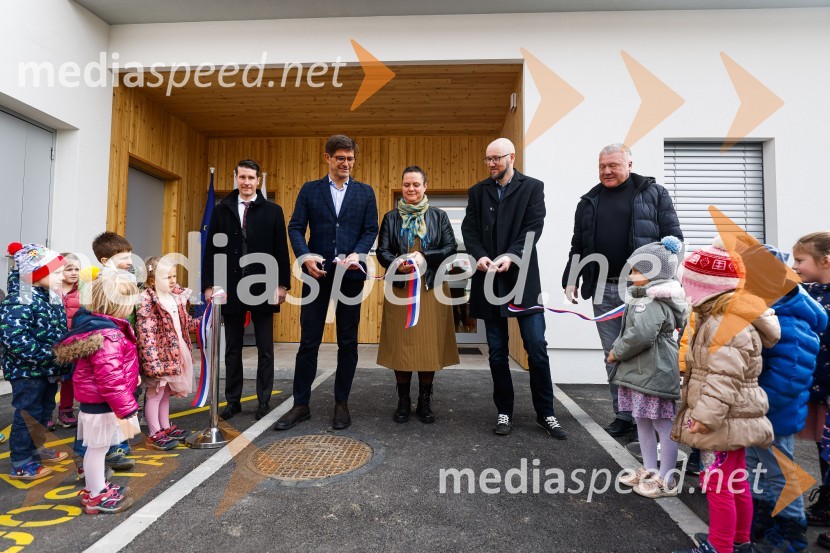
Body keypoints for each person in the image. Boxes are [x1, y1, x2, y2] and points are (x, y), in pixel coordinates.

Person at [562, 144, 682, 438]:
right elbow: (578, 245)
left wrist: (664, 280)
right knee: (613, 353)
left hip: (642, 290)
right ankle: (624, 415)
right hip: (602, 287)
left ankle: (652, 416)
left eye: (613, 165)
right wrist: (571, 278)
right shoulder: (588, 201)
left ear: (629, 163)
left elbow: (673, 239)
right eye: (602, 165)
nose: (606, 171)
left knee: (647, 352)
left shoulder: (655, 194)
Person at [672, 236, 778, 553]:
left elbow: (723, 378)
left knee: (716, 484)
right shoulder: (727, 317)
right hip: (735, 418)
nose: (685, 290)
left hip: (720, 421)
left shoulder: (721, 324)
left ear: (706, 287)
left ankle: (719, 546)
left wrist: (704, 419)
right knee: (736, 482)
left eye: (688, 283)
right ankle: (740, 540)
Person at [460, 137, 566, 440]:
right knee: (496, 352)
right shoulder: (477, 192)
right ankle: (504, 411)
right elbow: (469, 228)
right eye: (488, 159)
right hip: (488, 277)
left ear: (512, 157)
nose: (492, 163)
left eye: (497, 158)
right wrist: (480, 255)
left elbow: (534, 226)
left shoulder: (532, 187)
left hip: (522, 278)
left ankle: (546, 413)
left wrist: (510, 255)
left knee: (537, 348)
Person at [276, 135, 378, 431]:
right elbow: (295, 227)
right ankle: (300, 404)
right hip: (316, 275)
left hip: (351, 277)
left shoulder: (365, 192)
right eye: (340, 158)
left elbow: (370, 229)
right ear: (328, 158)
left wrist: (357, 254)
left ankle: (341, 403)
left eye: (350, 158)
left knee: (348, 342)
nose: (346, 163)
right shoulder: (310, 190)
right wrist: (305, 256)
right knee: (309, 341)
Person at [742, 243, 826, 552]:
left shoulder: (790, 321)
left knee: (780, 472)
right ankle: (764, 516)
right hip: (758, 409)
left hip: (773, 412)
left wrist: (757, 404)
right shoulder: (768, 313)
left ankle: (792, 531)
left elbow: (790, 375)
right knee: (756, 465)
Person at [202, 159, 291, 421]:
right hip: (230, 286)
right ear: (235, 178)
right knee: (232, 347)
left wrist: (282, 284)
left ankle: (264, 401)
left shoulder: (273, 211)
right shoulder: (222, 210)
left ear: (259, 181)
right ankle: (233, 401)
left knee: (265, 347)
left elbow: (280, 250)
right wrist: (210, 284)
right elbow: (211, 250)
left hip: (263, 285)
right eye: (242, 177)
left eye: (251, 178)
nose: (247, 182)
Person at [376, 166, 460, 423]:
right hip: (401, 289)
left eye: (416, 184)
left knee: (428, 346)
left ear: (425, 186)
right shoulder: (391, 217)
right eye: (406, 184)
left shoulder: (439, 216)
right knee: (401, 345)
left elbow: (450, 247)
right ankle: (403, 402)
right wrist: (396, 262)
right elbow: (382, 251)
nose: (411, 189)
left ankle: (424, 401)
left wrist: (425, 256)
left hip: (431, 288)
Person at [54, 274, 140, 514]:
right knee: (97, 449)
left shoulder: (99, 329)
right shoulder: (110, 335)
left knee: (97, 449)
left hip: (97, 403)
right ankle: (95, 495)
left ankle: (96, 486)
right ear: (119, 305)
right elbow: (109, 378)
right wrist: (126, 408)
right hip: (103, 404)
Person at [610, 236, 687, 498]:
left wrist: (616, 352)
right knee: (642, 420)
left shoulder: (649, 303)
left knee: (662, 425)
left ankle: (666, 477)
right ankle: (650, 469)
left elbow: (641, 335)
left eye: (637, 270)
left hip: (653, 372)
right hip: (642, 373)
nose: (631, 275)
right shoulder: (643, 299)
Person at [0, 242, 71, 481]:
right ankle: (21, 462)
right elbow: (14, 339)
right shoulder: (19, 300)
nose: (63, 277)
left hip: (47, 368)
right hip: (27, 371)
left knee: (43, 412)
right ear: (37, 274)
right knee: (28, 414)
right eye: (57, 272)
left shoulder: (49, 296)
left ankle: (37, 451)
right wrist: (52, 355)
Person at [787, 232, 830, 550]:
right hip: (816, 385)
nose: (795, 266)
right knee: (823, 449)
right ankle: (826, 503)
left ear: (825, 261)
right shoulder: (810, 292)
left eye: (801, 260)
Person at [136, 256, 201, 450]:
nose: (173, 280)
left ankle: (165, 426)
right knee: (155, 393)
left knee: (165, 393)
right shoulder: (148, 301)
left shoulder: (175, 297)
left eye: (174, 276)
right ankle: (154, 432)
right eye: (167, 277)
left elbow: (186, 323)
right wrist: (152, 362)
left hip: (175, 351)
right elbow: (145, 333)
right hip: (158, 355)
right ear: (152, 280)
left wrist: (205, 320)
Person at [57, 253, 81, 429]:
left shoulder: (82, 291)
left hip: (74, 341)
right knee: (50, 379)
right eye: (69, 269)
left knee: (69, 378)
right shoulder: (52, 290)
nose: (74, 273)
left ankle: (66, 409)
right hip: (55, 340)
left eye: (77, 269)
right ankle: (46, 412)